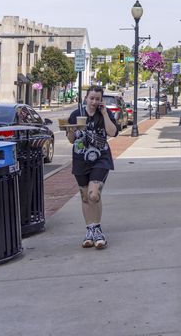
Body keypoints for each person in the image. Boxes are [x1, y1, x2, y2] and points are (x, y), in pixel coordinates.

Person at [66, 85, 119, 249]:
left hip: (100, 158)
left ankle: (97, 228)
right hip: (80, 159)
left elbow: (112, 132)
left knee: (94, 194)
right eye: (92, 98)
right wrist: (70, 131)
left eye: (97, 99)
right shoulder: (76, 114)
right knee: (84, 197)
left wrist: (104, 114)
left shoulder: (104, 113)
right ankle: (90, 230)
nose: (94, 102)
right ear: (86, 98)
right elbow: (71, 139)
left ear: (101, 100)